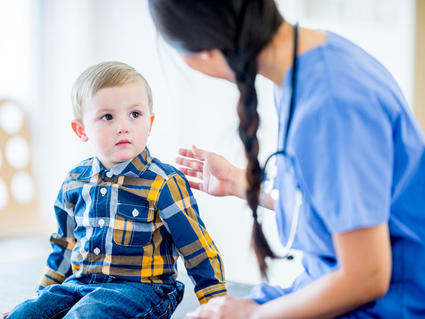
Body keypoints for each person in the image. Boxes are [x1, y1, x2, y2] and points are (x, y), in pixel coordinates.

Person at [149, 0, 425, 318]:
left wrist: (251, 316)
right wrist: (240, 182)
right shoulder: (309, 62)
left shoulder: (331, 103)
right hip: (329, 284)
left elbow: (367, 277)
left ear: (204, 52)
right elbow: (338, 206)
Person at [6, 61, 227, 319]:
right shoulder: (75, 181)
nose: (123, 126)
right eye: (107, 117)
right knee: (23, 315)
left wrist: (216, 304)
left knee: (86, 315)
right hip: (81, 285)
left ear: (150, 122)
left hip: (144, 289)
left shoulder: (163, 182)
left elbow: (197, 247)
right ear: (81, 130)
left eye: (135, 114)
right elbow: (64, 246)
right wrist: (40, 298)